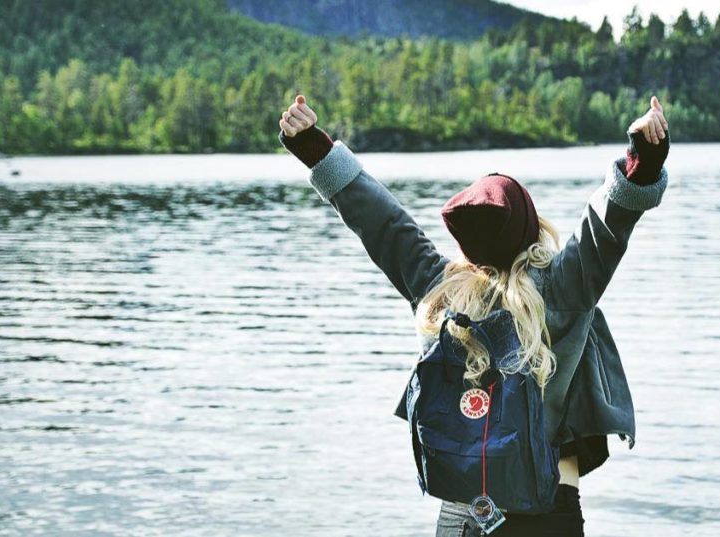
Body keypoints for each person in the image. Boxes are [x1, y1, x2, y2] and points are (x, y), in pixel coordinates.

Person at [279, 94, 670, 537]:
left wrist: (314, 148)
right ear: (530, 227)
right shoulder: (562, 288)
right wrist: (644, 157)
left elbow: (382, 222)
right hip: (548, 511)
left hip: (462, 514)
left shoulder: (438, 290)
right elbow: (609, 222)